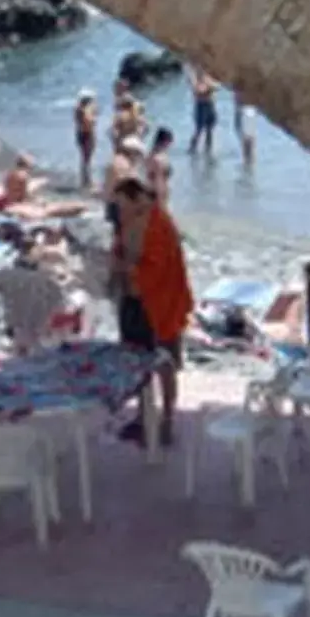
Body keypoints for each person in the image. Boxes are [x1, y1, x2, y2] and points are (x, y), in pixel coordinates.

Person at [110, 175, 192, 446]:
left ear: (137, 200)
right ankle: (143, 416)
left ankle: (167, 419)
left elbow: (157, 269)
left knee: (165, 363)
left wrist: (127, 268)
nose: (119, 211)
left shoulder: (160, 224)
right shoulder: (126, 223)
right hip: (133, 301)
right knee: (136, 361)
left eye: (122, 205)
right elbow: (121, 255)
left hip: (161, 304)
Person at [187, 64, 218, 156]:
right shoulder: (193, 73)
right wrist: (209, 87)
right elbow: (197, 90)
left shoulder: (208, 72)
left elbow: (216, 85)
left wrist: (210, 87)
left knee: (210, 130)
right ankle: (191, 151)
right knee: (199, 130)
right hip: (201, 105)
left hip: (210, 103)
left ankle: (208, 153)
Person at [73, 90, 98, 189]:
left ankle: (85, 180)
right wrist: (94, 119)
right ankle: (87, 181)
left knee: (84, 158)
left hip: (81, 134)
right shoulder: (85, 110)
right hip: (87, 134)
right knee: (87, 158)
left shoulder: (78, 109)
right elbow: (89, 122)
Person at [146, 126, 175, 202]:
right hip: (158, 195)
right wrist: (161, 200)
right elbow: (159, 181)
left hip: (151, 193)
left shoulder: (151, 155)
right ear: (165, 141)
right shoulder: (159, 159)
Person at [235, 100, 257, 169]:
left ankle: (248, 162)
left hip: (245, 110)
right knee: (248, 138)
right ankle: (249, 162)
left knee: (246, 138)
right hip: (248, 110)